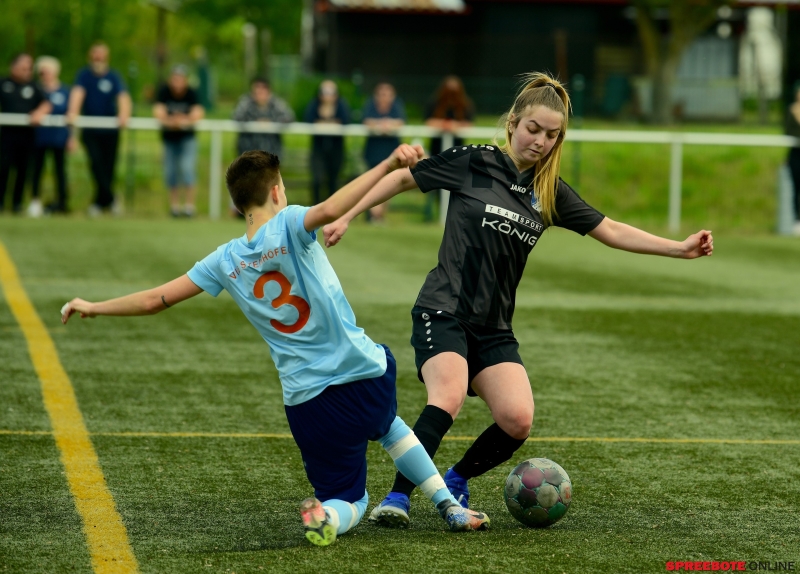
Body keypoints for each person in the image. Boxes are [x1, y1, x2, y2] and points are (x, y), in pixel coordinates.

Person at [323, 72, 714, 528]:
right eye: (534, 129)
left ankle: (455, 479)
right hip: (443, 309)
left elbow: (611, 230)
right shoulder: (476, 161)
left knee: (517, 419)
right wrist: (347, 215)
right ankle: (397, 498)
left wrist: (679, 248)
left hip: (493, 327)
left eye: (552, 135)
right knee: (447, 397)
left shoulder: (549, 192)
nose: (541, 141)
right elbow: (403, 180)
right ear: (512, 123)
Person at [60, 143, 490, 547]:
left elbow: (157, 300)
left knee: (348, 497)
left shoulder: (224, 259)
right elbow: (332, 208)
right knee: (391, 427)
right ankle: (449, 505)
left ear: (236, 203)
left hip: (305, 398)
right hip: (362, 372)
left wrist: (95, 306)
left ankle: (329, 517)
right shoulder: (288, 223)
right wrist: (388, 165)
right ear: (276, 190)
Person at [67, 42, 132, 216]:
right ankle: (111, 199)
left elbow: (123, 97)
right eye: (95, 54)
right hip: (90, 129)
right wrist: (72, 114)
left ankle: (99, 202)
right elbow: (77, 95)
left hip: (111, 130)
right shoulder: (84, 75)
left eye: (101, 54)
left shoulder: (113, 76)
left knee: (109, 167)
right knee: (96, 164)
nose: (98, 58)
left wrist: (124, 114)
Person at [0, 53, 50, 214]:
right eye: (24, 67)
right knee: (3, 169)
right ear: (14, 67)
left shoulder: (34, 86)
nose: (27, 71)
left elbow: (46, 104)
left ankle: (17, 203)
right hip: (6, 135)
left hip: (27, 135)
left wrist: (39, 113)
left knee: (23, 170)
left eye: (29, 68)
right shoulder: (4, 83)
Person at [154, 65, 205, 218]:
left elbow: (198, 113)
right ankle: (174, 207)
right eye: (174, 78)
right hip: (169, 139)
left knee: (187, 169)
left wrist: (182, 121)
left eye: (180, 79)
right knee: (171, 172)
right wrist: (174, 122)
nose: (177, 82)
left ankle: (189, 207)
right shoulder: (164, 91)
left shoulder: (191, 93)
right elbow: (158, 112)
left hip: (187, 139)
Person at [31, 56, 73, 216]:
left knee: (60, 170)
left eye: (48, 72)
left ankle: (62, 201)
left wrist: (71, 137)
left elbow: (70, 115)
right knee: (37, 170)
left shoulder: (64, 91)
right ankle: (35, 201)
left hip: (59, 137)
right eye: (42, 72)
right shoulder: (36, 90)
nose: (46, 75)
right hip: (39, 137)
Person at [362, 82, 406, 223]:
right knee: (372, 182)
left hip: (391, 151)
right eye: (381, 94)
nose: (384, 97)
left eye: (387, 94)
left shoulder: (397, 106)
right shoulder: (370, 105)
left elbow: (401, 122)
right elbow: (366, 121)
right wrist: (382, 125)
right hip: (373, 151)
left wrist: (386, 125)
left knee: (389, 183)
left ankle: (380, 216)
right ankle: (372, 215)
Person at [304, 80, 351, 204]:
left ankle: (331, 210)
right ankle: (314, 209)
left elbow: (345, 121)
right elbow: (309, 120)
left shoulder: (341, 105)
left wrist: (324, 121)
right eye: (325, 92)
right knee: (317, 180)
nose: (328, 95)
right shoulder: (314, 104)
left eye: (331, 92)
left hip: (336, 149)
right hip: (318, 149)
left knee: (333, 181)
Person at [233, 77, 295, 158]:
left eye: (263, 88)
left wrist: (271, 122)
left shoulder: (276, 103)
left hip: (271, 153)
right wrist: (255, 123)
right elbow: (236, 117)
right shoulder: (245, 102)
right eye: (257, 88)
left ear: (269, 91)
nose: (259, 91)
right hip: (247, 153)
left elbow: (289, 117)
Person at [425, 76, 475, 158]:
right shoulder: (435, 103)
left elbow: (469, 123)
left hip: (458, 148)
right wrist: (444, 124)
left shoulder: (465, 105)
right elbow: (428, 121)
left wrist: (455, 125)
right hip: (436, 147)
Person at [786, 82, 800, 236]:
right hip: (796, 154)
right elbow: (789, 131)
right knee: (796, 188)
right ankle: (797, 220)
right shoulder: (791, 110)